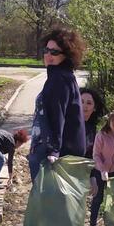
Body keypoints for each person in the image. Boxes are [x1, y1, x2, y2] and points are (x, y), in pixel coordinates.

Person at [27, 28, 87, 181]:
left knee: (47, 203)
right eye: (46, 50)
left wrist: (53, 152)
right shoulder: (66, 76)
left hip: (52, 155)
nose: (48, 55)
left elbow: (56, 115)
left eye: (54, 52)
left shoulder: (58, 79)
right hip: (62, 152)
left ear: (66, 56)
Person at [80, 87, 106, 196]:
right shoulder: (68, 124)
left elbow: (92, 156)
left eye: (89, 103)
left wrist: (93, 177)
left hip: (82, 177)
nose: (84, 106)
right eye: (81, 101)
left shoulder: (92, 129)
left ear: (94, 108)